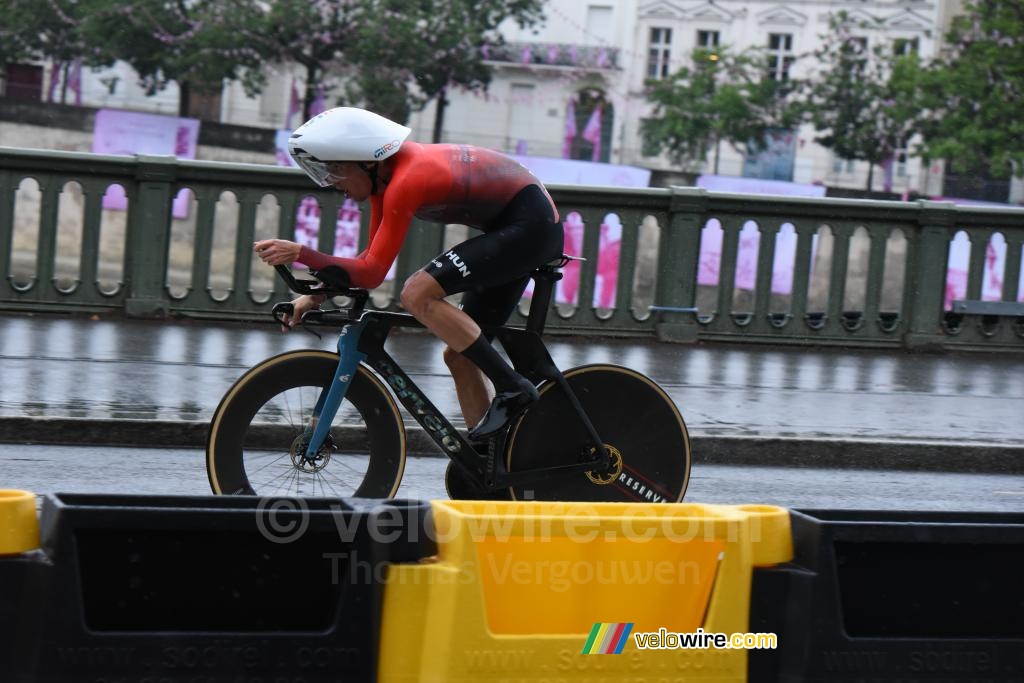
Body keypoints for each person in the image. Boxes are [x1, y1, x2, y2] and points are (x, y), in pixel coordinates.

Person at [254, 107, 563, 441]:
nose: (330, 181)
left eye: (334, 170)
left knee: (417, 293)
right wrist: (314, 295)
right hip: (516, 227)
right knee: (459, 354)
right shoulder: (383, 184)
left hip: (532, 227)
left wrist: (302, 254)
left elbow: (372, 275)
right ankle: (490, 458)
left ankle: (513, 387)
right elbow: (368, 260)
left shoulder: (407, 179)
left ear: (367, 161)